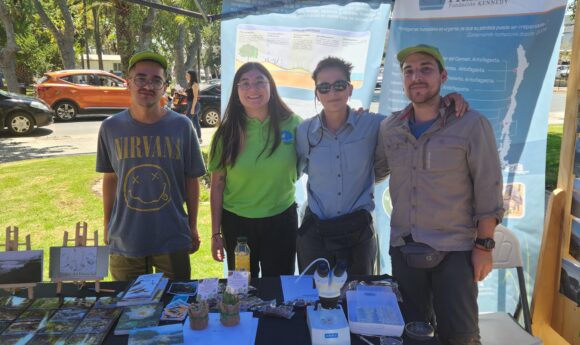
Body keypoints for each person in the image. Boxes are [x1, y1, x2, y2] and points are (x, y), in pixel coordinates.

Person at [374, 44, 504, 345]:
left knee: (460, 337)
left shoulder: (471, 124)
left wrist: (484, 246)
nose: (416, 77)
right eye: (409, 71)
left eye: (425, 69)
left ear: (443, 76)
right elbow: (376, 169)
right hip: (405, 251)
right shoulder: (390, 128)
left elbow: (489, 189)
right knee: (410, 335)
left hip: (455, 253)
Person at [296, 56, 468, 276]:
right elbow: (297, 169)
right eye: (324, 87)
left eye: (339, 85)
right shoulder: (304, 131)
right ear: (317, 94)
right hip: (317, 236)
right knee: (313, 303)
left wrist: (447, 101)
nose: (332, 93)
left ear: (350, 89)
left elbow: (418, 113)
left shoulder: (377, 125)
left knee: (358, 302)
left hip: (357, 236)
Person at [96, 51, 206, 281]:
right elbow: (110, 179)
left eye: (156, 80)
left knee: (175, 308)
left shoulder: (182, 126)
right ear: (128, 83)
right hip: (126, 237)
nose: (148, 85)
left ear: (164, 86)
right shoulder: (110, 128)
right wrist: (107, 224)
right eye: (141, 78)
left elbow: (191, 180)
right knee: (129, 311)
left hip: (172, 236)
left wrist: (192, 225)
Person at [208, 62, 302, 278]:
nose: (253, 89)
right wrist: (215, 233)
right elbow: (217, 185)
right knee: (242, 290)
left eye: (260, 81)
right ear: (237, 91)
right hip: (237, 225)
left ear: (271, 86)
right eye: (245, 84)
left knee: (278, 289)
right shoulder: (226, 133)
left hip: (281, 220)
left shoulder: (294, 125)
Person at [184, 70, 202, 142]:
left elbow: (195, 97)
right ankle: (199, 138)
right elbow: (189, 94)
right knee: (196, 122)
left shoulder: (195, 85)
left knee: (186, 121)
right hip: (190, 104)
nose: (186, 76)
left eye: (187, 75)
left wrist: (192, 108)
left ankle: (188, 138)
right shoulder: (190, 84)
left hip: (194, 104)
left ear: (191, 76)